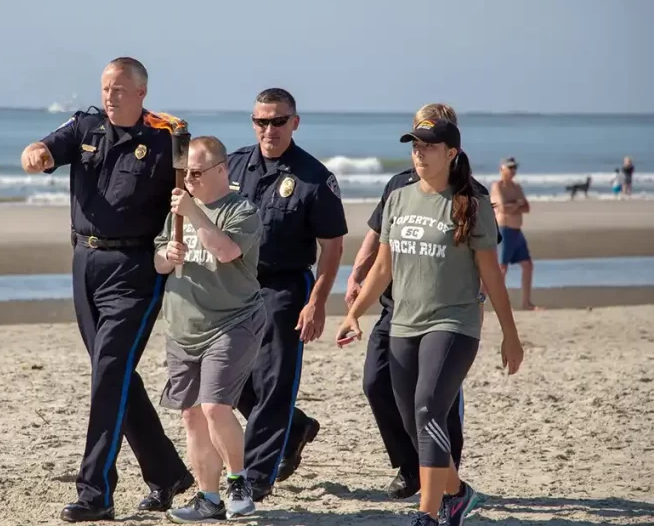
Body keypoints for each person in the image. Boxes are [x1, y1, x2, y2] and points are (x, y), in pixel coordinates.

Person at [21, 57, 193, 522]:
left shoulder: (166, 138)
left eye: (118, 89)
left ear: (141, 93)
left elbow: (190, 195)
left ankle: (95, 490)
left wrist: (176, 250)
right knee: (112, 375)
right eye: (104, 88)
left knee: (108, 376)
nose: (109, 96)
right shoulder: (85, 128)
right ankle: (167, 473)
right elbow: (42, 148)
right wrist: (35, 154)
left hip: (136, 270)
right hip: (85, 263)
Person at [335, 118, 524, 526]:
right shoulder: (399, 199)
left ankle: (429, 513)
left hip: (454, 324)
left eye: (429, 146)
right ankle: (457, 492)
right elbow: (383, 268)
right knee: (412, 418)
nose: (419, 153)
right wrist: (353, 313)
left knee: (427, 409)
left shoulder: (471, 204)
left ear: (451, 153)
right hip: (404, 323)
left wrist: (511, 335)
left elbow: (492, 275)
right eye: (414, 146)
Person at [227, 88, 348, 501]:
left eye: (279, 121)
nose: (269, 129)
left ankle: (258, 477)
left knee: (274, 383)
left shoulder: (315, 177)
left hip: (285, 288)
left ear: (294, 122)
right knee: (230, 377)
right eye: (262, 121)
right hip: (235, 286)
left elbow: (332, 247)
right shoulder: (234, 165)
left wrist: (317, 302)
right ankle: (293, 428)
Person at [154, 136, 264, 522]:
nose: (189, 179)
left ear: (221, 170)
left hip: (232, 322)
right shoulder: (178, 211)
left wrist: (195, 214)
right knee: (191, 415)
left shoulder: (241, 210)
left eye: (196, 173)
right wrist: (167, 255)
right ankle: (209, 498)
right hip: (184, 325)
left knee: (216, 406)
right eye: (185, 172)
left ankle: (239, 482)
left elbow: (227, 251)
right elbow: (159, 260)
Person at [491, 157, 542, 311]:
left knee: (527, 265)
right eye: (510, 168)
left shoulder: (516, 187)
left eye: (515, 168)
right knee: (502, 268)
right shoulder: (497, 186)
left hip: (517, 231)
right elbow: (502, 209)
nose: (513, 171)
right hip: (503, 229)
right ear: (502, 168)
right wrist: (517, 204)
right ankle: (500, 304)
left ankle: (526, 302)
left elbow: (526, 207)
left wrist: (514, 205)